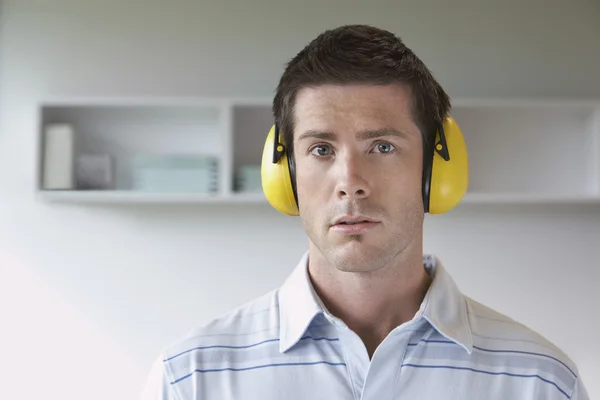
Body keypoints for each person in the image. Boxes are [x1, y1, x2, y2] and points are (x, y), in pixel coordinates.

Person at [141, 24, 589, 399]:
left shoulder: (540, 383)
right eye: (320, 149)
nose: (350, 180)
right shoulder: (191, 381)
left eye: (382, 146)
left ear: (436, 170)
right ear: (284, 174)